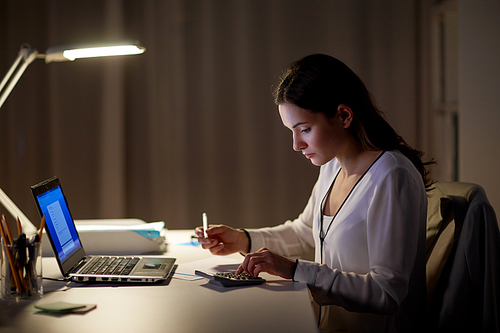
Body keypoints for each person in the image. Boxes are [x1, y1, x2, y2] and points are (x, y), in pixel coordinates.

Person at [195, 54, 432, 332]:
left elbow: (387, 292)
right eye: (292, 131)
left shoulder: (392, 176)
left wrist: (295, 270)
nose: (296, 144)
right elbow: (305, 233)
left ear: (344, 115)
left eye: (305, 129)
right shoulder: (333, 165)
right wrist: (243, 239)